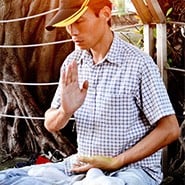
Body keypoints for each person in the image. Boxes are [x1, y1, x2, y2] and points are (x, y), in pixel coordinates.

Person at [0, 0, 180, 185]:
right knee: (6, 178)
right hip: (83, 165)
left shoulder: (139, 64)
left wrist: (116, 161)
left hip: (131, 170)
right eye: (69, 24)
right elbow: (50, 123)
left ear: (105, 14)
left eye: (79, 21)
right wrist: (65, 111)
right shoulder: (74, 62)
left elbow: (170, 128)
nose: (73, 32)